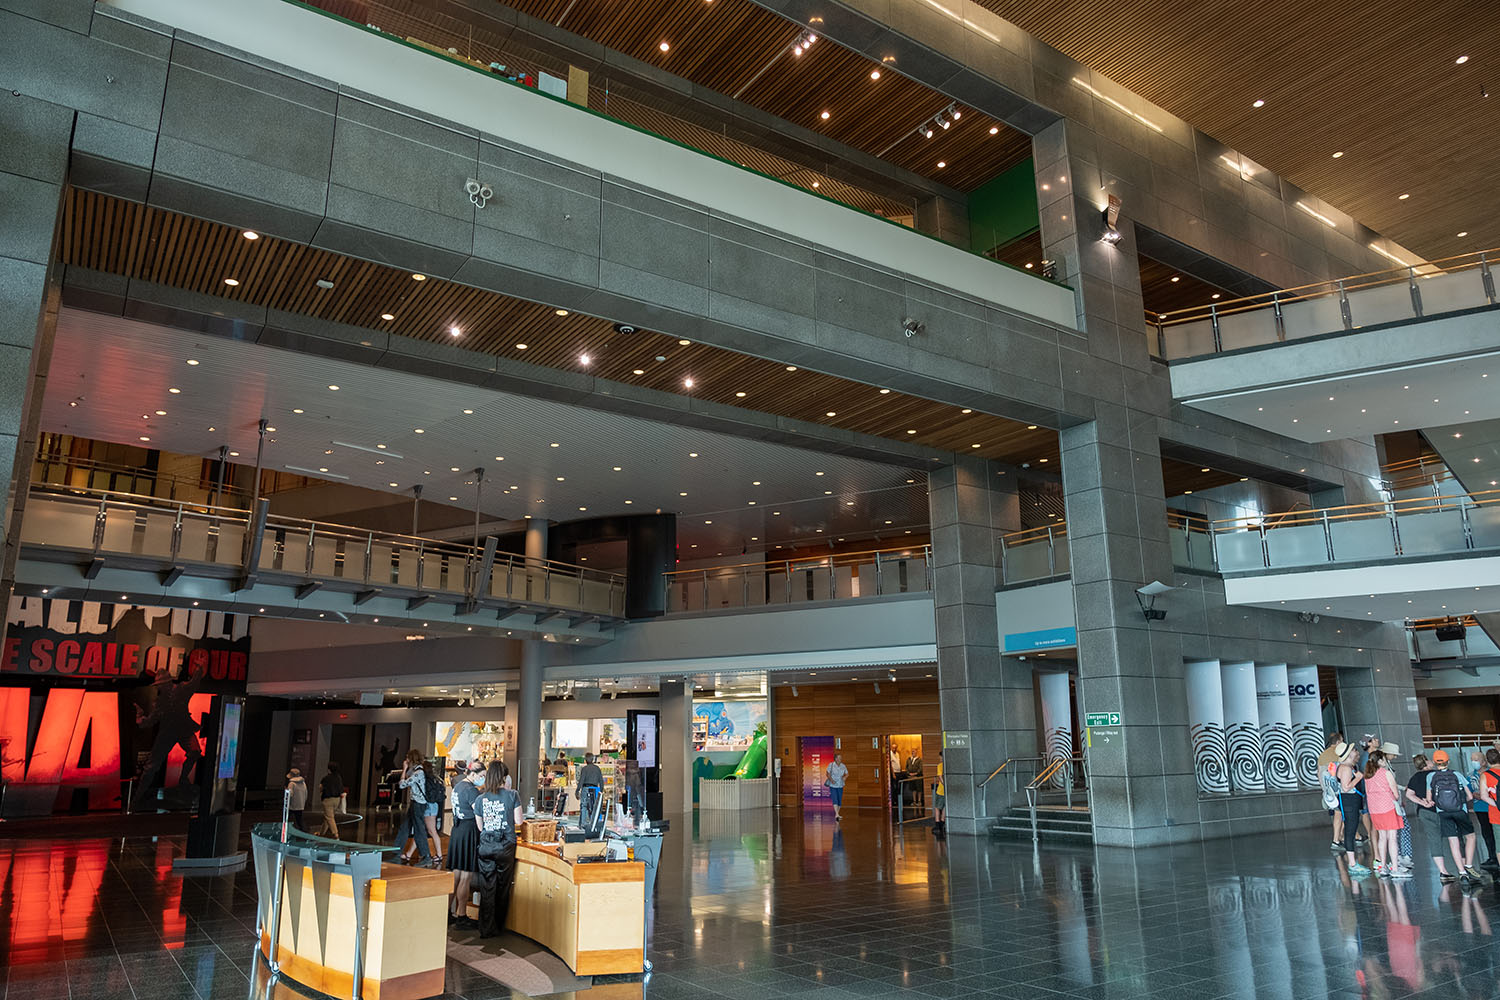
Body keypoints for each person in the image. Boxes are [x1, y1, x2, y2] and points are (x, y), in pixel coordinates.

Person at [474, 760, 523, 938]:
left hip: (486, 846)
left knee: (487, 887)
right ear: (504, 777)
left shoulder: (480, 799)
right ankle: (499, 926)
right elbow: (519, 821)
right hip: (505, 846)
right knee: (503, 887)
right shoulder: (513, 795)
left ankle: (486, 928)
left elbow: (480, 827)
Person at [1424, 750, 1482, 884]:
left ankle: (1462, 873)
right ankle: (1468, 865)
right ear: (1448, 761)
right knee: (1470, 836)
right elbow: (1469, 796)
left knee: (1453, 841)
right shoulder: (1457, 774)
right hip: (1460, 810)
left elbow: (1429, 799)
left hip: (1443, 812)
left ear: (1434, 762)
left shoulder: (1431, 776)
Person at [448, 760, 483, 929]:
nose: (483, 779)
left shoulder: (458, 786)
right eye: (482, 776)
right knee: (466, 876)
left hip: (457, 830)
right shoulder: (471, 791)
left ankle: (448, 912)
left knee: (456, 873)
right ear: (473, 774)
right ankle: (462, 915)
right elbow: (479, 814)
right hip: (469, 831)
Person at [1363, 751, 1408, 878]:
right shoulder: (1386, 773)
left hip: (1375, 810)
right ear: (1381, 761)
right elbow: (1395, 793)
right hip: (1388, 807)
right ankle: (1395, 867)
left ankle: (1383, 867)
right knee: (1392, 837)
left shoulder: (1367, 776)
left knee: (1382, 837)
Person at [396, 749, 439, 867]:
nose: (406, 760)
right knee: (405, 827)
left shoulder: (418, 773)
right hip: (416, 803)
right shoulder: (419, 771)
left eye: (407, 758)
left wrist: (404, 769)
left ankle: (426, 856)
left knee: (419, 830)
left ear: (411, 759)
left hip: (418, 804)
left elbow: (402, 784)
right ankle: (396, 851)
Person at [1335, 742, 1369, 876]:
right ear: (1349, 755)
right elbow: (1346, 787)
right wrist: (1358, 778)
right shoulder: (1346, 768)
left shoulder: (1348, 767)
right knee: (1350, 830)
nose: (1356, 751)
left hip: (1350, 802)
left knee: (1351, 829)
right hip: (1349, 801)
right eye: (1354, 750)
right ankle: (1352, 864)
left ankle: (1353, 862)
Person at [1469, 749, 1499, 870]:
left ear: (1484, 761)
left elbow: (1483, 795)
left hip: (1492, 809)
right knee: (1487, 833)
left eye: (1476, 760)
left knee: (1495, 836)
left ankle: (1495, 858)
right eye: (1472, 760)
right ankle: (1492, 856)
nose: (1473, 762)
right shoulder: (1470, 775)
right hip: (1481, 809)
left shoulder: (1487, 775)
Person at [1318, 732, 1345, 850]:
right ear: (1338, 742)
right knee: (1340, 814)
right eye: (1342, 741)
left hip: (1328, 791)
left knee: (1337, 814)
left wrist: (1324, 790)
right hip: (1338, 789)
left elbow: (1318, 773)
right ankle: (1336, 839)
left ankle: (1341, 837)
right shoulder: (1338, 754)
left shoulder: (1323, 755)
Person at [1478, 748, 1500, 873]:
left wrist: (1497, 804)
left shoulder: (1485, 776)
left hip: (1496, 814)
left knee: (1499, 843)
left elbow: (1484, 796)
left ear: (1487, 761)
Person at [577, 752, 605, 832]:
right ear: (593, 759)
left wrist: (577, 790)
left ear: (585, 760)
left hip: (586, 788)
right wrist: (601, 791)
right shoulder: (597, 768)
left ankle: (583, 825)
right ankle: (594, 826)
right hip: (595, 789)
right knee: (594, 808)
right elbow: (601, 781)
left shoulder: (585, 769)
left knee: (584, 806)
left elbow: (581, 780)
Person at [317, 762, 344, 838]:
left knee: (329, 817)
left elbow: (321, 787)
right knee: (328, 817)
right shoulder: (339, 777)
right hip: (337, 799)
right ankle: (321, 833)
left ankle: (335, 834)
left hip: (328, 799)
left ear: (329, 769)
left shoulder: (326, 778)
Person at [825, 753, 849, 822]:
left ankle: (837, 814)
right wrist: (831, 780)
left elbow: (847, 773)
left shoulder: (843, 766)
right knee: (834, 798)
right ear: (835, 759)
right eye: (838, 758)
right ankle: (837, 814)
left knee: (839, 799)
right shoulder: (831, 765)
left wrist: (845, 777)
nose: (840, 759)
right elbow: (827, 773)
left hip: (840, 784)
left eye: (840, 758)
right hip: (833, 785)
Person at [931, 749, 946, 836]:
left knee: (937, 807)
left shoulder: (940, 765)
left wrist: (944, 784)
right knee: (944, 807)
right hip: (947, 790)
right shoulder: (949, 765)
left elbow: (940, 776)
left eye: (940, 757)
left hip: (941, 790)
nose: (939, 758)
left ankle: (937, 825)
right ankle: (942, 822)